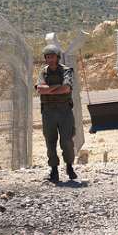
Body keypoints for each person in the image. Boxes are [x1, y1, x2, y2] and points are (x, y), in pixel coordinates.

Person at [36, 44, 77, 182]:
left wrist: (49, 89)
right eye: (48, 57)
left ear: (58, 57)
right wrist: (56, 87)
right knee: (50, 141)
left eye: (52, 56)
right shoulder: (43, 72)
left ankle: (69, 166)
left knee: (66, 141)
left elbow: (66, 89)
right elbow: (40, 89)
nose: (50, 59)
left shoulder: (66, 71)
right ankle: (53, 170)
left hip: (64, 110)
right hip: (48, 112)